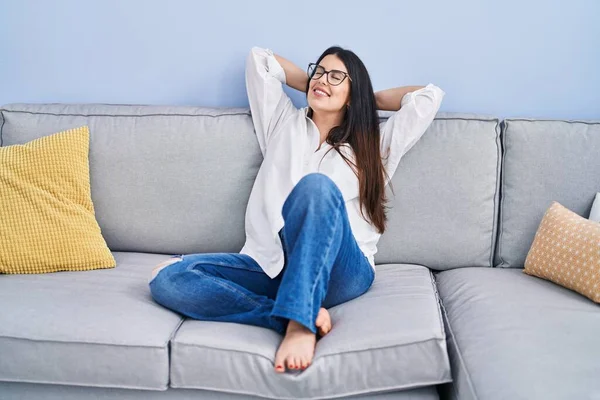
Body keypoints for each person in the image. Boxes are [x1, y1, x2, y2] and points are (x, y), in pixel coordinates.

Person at [148, 46, 444, 373]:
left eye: (336, 76)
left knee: (315, 187)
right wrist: (321, 85)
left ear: (352, 92)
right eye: (318, 71)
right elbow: (260, 61)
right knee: (169, 278)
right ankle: (285, 313)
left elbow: (427, 97)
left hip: (342, 270)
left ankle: (299, 327)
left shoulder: (375, 144)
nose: (322, 79)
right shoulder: (281, 123)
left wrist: (365, 98)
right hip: (271, 264)